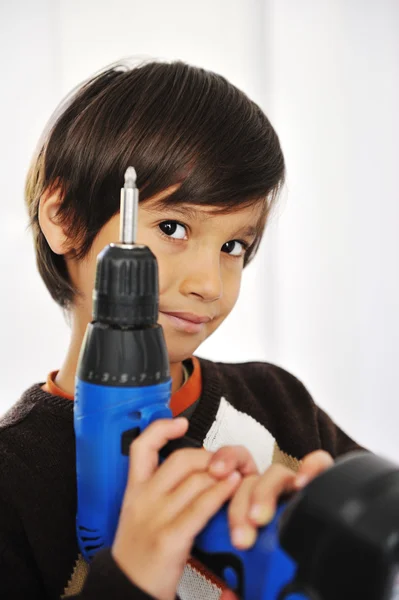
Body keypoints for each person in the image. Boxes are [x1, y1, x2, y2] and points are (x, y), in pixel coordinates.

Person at [0, 60, 365, 600]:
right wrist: (127, 583)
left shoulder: (279, 402)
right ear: (63, 217)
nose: (209, 284)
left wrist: (331, 539)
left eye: (233, 246)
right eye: (173, 227)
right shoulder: (13, 484)